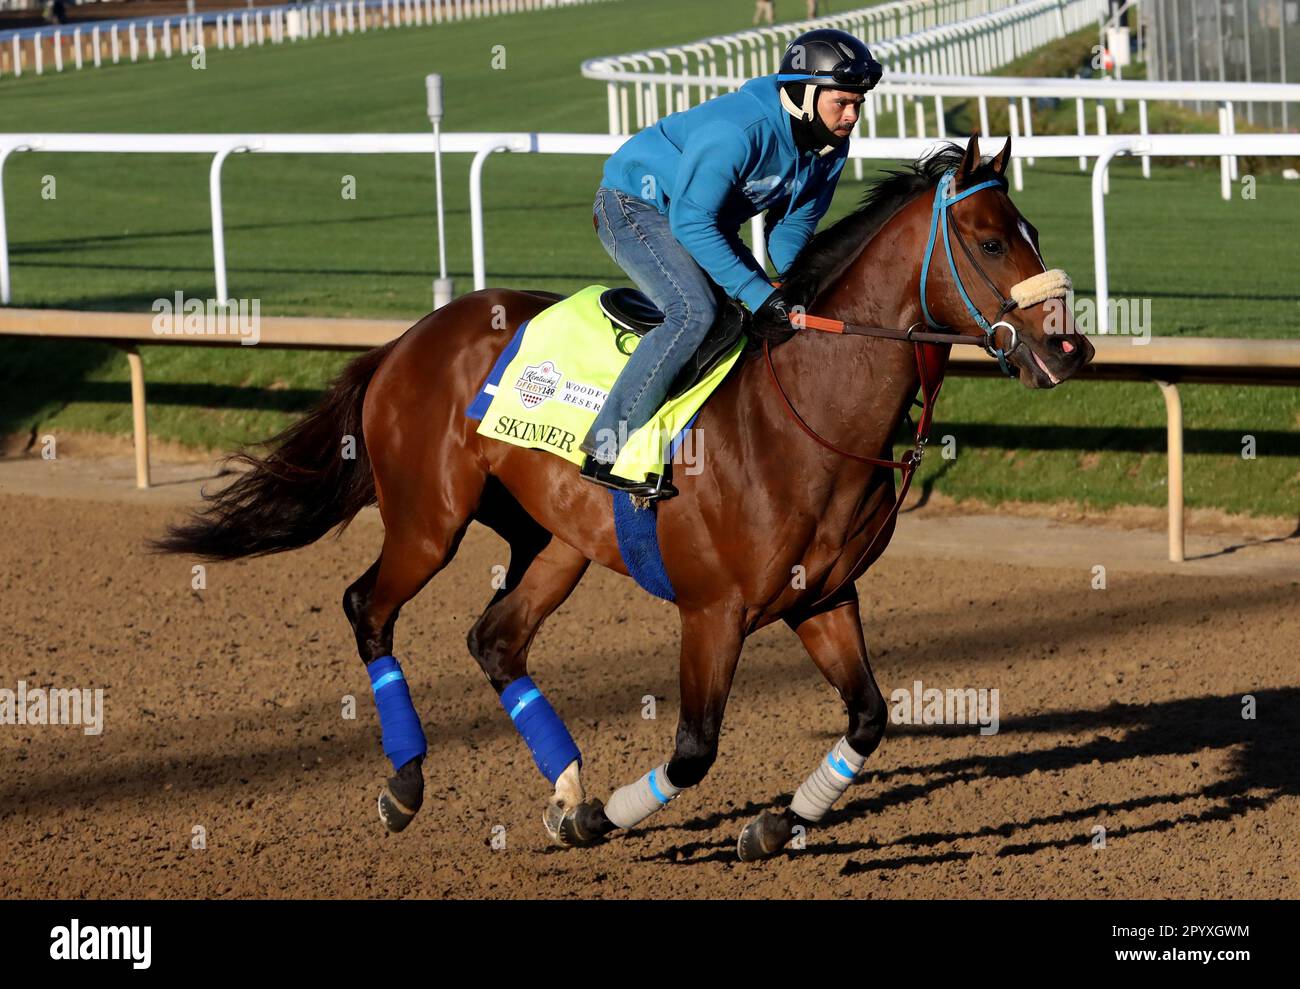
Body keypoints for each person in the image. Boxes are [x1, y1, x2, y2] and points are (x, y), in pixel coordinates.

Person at [580, 29, 882, 498]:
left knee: (761, 318)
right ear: (803, 93)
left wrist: (801, 289)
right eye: (842, 102)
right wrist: (759, 292)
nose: (852, 116)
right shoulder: (739, 132)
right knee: (694, 311)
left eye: (858, 104)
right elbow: (690, 222)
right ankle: (606, 447)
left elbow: (791, 234)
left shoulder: (828, 148)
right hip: (634, 208)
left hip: (700, 220)